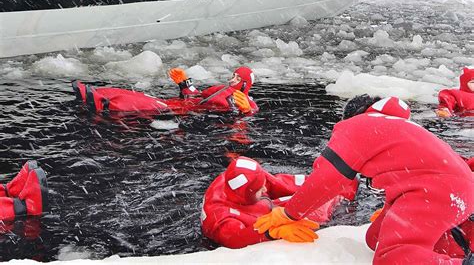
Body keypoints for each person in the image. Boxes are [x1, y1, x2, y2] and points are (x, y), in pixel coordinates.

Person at [254, 95, 474, 264]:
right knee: (374, 238)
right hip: (456, 191)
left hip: (434, 192)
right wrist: (393, 211)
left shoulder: (357, 125)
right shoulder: (401, 126)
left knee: (391, 258)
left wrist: (290, 213)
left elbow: (329, 177)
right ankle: (453, 252)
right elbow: (413, 173)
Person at [201, 156, 358, 249]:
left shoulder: (240, 180)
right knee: (310, 214)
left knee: (311, 195)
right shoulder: (221, 217)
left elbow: (276, 184)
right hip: (253, 224)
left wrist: (329, 182)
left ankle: (339, 188)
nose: (264, 189)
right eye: (259, 189)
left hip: (260, 209)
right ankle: (337, 195)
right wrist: (272, 232)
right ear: (247, 194)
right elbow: (234, 239)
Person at [72, 66, 258, 115]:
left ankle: (102, 103)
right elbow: (197, 95)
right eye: (233, 75)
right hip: (184, 103)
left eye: (237, 78)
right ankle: (96, 92)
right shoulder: (221, 89)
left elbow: (241, 129)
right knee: (139, 95)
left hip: (185, 111)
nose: (232, 79)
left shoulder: (246, 103)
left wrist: (244, 112)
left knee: (144, 102)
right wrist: (184, 83)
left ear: (245, 83)